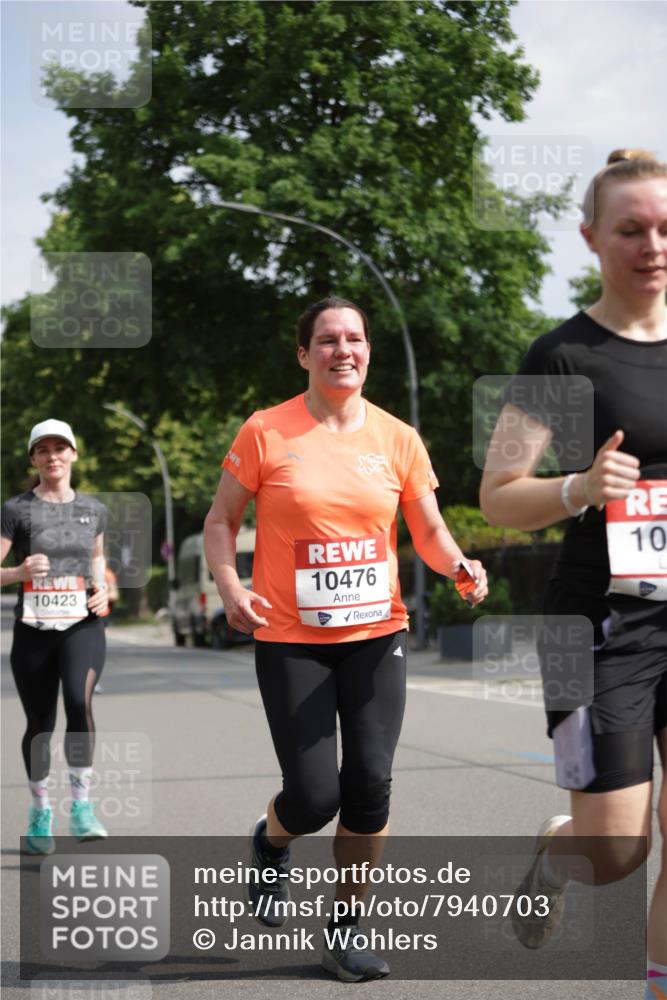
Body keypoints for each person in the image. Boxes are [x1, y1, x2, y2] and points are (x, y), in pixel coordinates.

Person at [204, 296, 488, 982]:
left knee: (370, 787)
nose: (343, 350)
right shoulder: (266, 430)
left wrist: (458, 564)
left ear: (367, 351)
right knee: (313, 798)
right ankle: (271, 844)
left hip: (376, 635)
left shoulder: (397, 438)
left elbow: (427, 529)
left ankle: (343, 931)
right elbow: (220, 521)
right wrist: (231, 587)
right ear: (304, 354)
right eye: (328, 340)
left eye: (354, 338)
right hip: (290, 638)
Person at [479, 150, 667, 997]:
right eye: (630, 229)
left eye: (663, 228)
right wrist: (580, 487)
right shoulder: (562, 356)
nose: (651, 245)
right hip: (595, 623)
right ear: (591, 237)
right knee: (615, 850)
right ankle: (559, 854)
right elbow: (497, 497)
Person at [1, 419, 110, 853]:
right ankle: (40, 812)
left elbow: (97, 559)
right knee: (40, 724)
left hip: (83, 624)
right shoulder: (16, 510)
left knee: (80, 704)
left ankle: (82, 807)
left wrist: (103, 589)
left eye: (60, 448)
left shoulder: (93, 509)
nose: (52, 456)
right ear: (34, 458)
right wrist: (18, 572)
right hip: (34, 629)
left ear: (73, 454)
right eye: (43, 450)